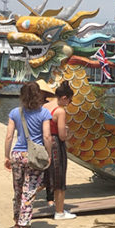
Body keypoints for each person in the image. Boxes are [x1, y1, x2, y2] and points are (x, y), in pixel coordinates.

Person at [4, 81, 53, 228]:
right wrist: (49, 155)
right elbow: (47, 136)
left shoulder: (14, 112)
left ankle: (17, 220)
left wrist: (6, 155)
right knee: (29, 191)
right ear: (39, 95)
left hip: (17, 155)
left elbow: (9, 136)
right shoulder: (44, 113)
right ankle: (24, 227)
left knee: (18, 189)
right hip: (33, 157)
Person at [43, 80, 77, 220]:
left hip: (45, 141)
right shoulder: (60, 111)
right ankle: (60, 211)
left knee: (46, 177)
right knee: (59, 179)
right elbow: (62, 135)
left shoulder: (45, 106)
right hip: (56, 143)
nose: (68, 104)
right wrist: (68, 133)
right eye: (69, 101)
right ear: (64, 98)